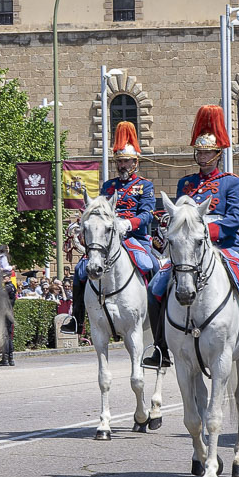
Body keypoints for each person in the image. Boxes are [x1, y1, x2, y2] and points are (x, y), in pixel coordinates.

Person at [148, 105, 239, 368]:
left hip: (225, 246)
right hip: (189, 251)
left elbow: (236, 219)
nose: (202, 158)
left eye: (207, 153)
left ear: (218, 154)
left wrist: (205, 232)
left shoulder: (231, 182)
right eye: (200, 152)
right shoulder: (186, 184)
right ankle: (160, 347)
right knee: (155, 286)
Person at [75, 121, 163, 364]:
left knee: (153, 268)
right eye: (119, 161)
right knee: (79, 270)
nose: (122, 165)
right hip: (107, 240)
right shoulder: (108, 186)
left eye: (127, 161)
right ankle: (76, 319)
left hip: (135, 239)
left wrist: (130, 224)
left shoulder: (144, 186)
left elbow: (147, 214)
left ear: (136, 162)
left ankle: (159, 328)